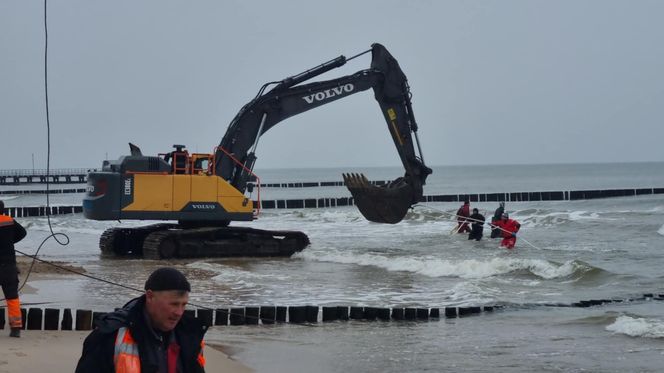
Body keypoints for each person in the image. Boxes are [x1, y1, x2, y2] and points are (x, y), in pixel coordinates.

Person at [76, 267, 207, 373]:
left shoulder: (190, 335)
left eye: (183, 305)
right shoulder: (110, 335)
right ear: (150, 296)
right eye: (173, 304)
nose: (179, 312)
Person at [0, 200, 27, 338]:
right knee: (12, 298)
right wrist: (10, 241)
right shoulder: (9, 221)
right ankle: (15, 329)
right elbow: (23, 233)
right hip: (8, 266)